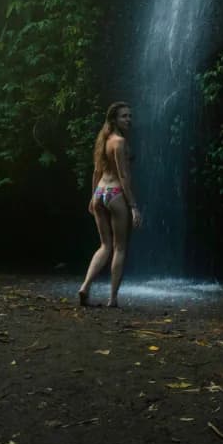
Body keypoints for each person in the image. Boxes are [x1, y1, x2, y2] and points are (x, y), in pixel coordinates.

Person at [78, 102, 142, 307]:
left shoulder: (103, 140)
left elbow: (96, 171)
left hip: (100, 192)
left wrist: (92, 197)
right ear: (114, 119)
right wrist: (133, 206)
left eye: (130, 116)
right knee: (120, 248)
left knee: (104, 246)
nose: (129, 120)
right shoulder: (119, 142)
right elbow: (123, 176)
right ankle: (112, 299)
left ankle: (85, 287)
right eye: (124, 116)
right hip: (115, 193)